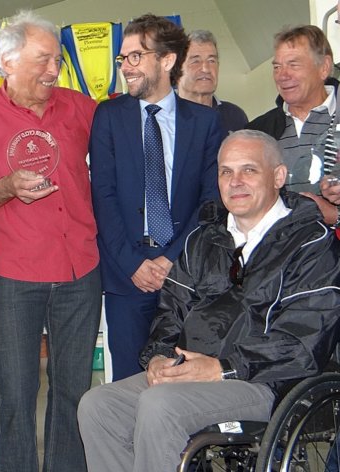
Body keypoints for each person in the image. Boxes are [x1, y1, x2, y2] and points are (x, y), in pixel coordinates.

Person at [78, 129, 340, 472]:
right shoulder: (203, 239)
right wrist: (158, 356)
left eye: (249, 170)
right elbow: (171, 312)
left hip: (266, 381)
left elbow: (303, 340)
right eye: (226, 171)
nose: (235, 182)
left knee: (161, 406)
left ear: (278, 176)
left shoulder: (311, 244)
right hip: (192, 372)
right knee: (99, 405)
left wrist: (222, 368)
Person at [0, 11, 101, 472]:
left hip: (81, 269)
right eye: (43, 60)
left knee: (74, 391)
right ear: (8, 62)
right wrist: (8, 186)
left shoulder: (81, 108)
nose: (54, 70)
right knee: (15, 395)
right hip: (16, 276)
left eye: (57, 60)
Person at [89, 13, 223, 381]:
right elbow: (103, 196)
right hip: (127, 276)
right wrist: (134, 264)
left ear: (167, 60)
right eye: (123, 58)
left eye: (136, 56)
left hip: (186, 274)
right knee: (130, 384)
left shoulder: (205, 122)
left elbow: (210, 201)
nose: (126, 67)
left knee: (186, 380)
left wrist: (171, 258)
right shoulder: (108, 117)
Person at [246, 25, 339, 227]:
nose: (282, 75)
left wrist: (336, 216)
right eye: (277, 67)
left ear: (324, 67)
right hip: (281, 245)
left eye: (293, 65)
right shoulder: (258, 132)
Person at [177, 29, 248, 133]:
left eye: (211, 61)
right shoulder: (164, 117)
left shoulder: (235, 115)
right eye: (196, 61)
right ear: (176, 69)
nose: (206, 69)